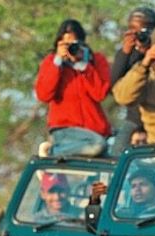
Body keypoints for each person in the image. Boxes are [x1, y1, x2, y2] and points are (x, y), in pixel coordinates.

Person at [35, 19, 112, 158]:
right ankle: (53, 152)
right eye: (66, 44)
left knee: (107, 150)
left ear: (82, 43)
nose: (70, 48)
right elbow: (44, 95)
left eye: (73, 44)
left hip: (95, 131)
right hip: (65, 130)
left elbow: (100, 94)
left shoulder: (95, 60)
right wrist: (57, 62)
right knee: (98, 146)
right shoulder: (51, 62)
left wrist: (83, 66)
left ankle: (59, 152)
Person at [111, 7, 155, 154]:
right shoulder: (128, 54)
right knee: (116, 155)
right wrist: (126, 52)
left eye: (146, 30)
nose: (141, 35)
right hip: (134, 118)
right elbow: (114, 85)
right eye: (134, 30)